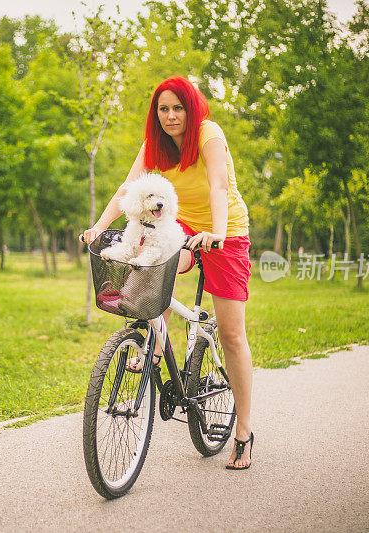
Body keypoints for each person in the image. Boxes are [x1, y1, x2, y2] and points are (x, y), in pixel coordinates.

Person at [82, 76, 254, 470]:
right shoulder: (155, 145)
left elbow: (218, 186)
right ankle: (155, 344)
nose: (171, 116)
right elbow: (127, 188)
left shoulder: (209, 134)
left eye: (178, 108)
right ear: (156, 114)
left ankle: (243, 430)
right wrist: (98, 225)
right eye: (164, 109)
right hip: (181, 228)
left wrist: (219, 234)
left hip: (225, 230)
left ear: (191, 109)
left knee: (231, 333)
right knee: (150, 268)